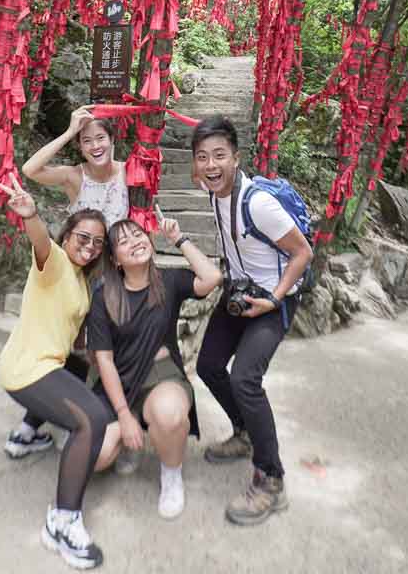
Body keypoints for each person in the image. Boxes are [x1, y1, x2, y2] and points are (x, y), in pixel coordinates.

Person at [191, 115, 313, 525]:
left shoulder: (257, 203)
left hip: (273, 300)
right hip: (240, 292)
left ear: (236, 157)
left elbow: (303, 254)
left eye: (220, 155)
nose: (211, 165)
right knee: (208, 365)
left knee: (245, 378)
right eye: (203, 157)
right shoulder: (213, 190)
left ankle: (271, 478)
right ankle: (244, 432)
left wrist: (275, 298)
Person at [0, 174, 110, 569]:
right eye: (83, 237)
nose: (90, 247)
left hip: (33, 365)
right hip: (29, 370)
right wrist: (31, 216)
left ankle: (25, 433)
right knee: (91, 420)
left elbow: (75, 339)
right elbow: (41, 242)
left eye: (98, 242)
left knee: (76, 366)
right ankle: (62, 520)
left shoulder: (80, 279)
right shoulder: (56, 261)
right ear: (68, 235)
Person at [4, 106, 130, 460]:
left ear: (112, 140)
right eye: (86, 141)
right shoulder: (75, 176)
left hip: (112, 277)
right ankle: (69, 424)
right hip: (73, 275)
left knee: (102, 352)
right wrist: (69, 129)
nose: (95, 145)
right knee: (67, 349)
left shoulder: (128, 172)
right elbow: (30, 170)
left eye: (100, 138)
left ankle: (98, 426)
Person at [87, 216, 222, 519]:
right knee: (95, 457)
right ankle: (126, 435)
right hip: (116, 380)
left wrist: (178, 238)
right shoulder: (103, 294)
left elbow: (212, 278)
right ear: (114, 259)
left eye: (138, 235)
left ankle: (171, 474)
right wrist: (123, 415)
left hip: (160, 376)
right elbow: (104, 361)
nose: (135, 242)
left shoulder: (168, 281)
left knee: (170, 415)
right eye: (124, 242)